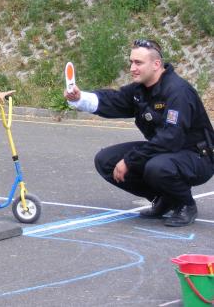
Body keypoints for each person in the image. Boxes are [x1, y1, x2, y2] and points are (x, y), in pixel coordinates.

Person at [65, 39, 214, 227]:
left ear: (156, 64)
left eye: (138, 63)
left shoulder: (177, 92)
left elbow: (171, 138)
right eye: (131, 62)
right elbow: (114, 100)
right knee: (106, 161)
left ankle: (185, 204)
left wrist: (130, 160)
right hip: (165, 151)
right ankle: (165, 199)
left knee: (157, 167)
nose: (132, 68)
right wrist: (80, 98)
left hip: (197, 157)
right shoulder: (140, 90)